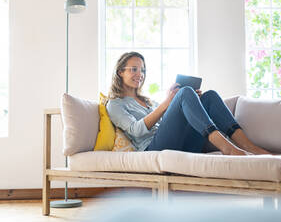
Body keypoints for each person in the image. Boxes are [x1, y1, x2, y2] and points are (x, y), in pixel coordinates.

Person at [106, 52, 271, 155]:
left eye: (142, 70)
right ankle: (226, 147)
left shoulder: (148, 101)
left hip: (180, 145)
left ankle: (249, 147)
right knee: (185, 92)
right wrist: (168, 103)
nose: (140, 74)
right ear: (120, 72)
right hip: (153, 148)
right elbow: (136, 131)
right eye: (133, 69)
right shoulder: (115, 104)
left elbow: (168, 124)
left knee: (209, 97)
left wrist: (189, 101)